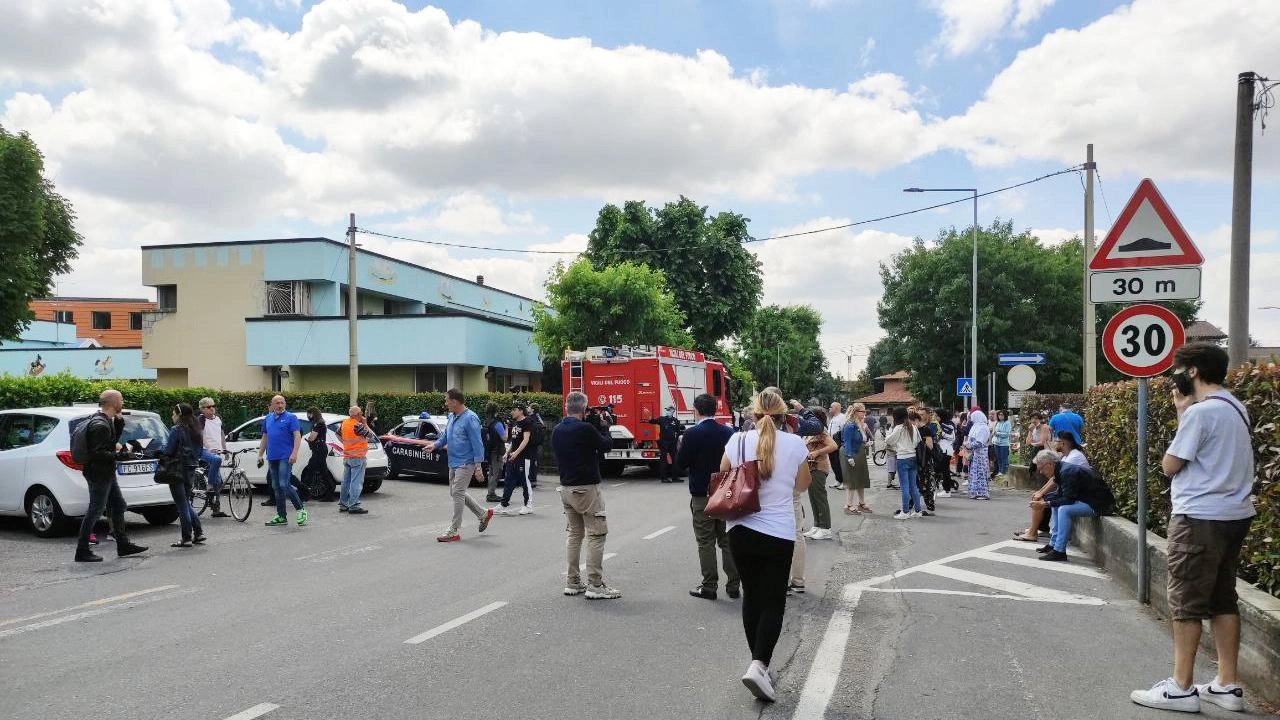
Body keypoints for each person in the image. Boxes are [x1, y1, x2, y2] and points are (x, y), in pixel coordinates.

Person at [1131, 343, 1256, 714]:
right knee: (1222, 599)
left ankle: (1181, 687)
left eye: (1179, 369)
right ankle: (1227, 685)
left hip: (1199, 517)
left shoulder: (1200, 414)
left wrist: (1183, 412)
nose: (1176, 375)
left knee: (1185, 601)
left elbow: (1171, 465)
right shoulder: (1237, 407)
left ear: (1193, 372)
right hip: (1235, 514)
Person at [720, 389, 812, 703]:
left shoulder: (737, 440)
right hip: (778, 532)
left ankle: (757, 662)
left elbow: (723, 476)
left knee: (752, 596)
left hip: (741, 528)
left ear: (754, 414)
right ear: (785, 415)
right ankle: (759, 664)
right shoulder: (796, 444)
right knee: (773, 601)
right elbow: (802, 485)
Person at [553, 391, 619, 599]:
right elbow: (606, 446)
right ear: (583, 409)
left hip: (566, 488)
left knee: (574, 534)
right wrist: (606, 426)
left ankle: (572, 581)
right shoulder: (586, 429)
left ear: (566, 407)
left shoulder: (557, 429)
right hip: (587, 488)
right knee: (596, 534)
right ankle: (595, 584)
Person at [675, 393, 738, 600]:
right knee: (727, 541)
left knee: (705, 541)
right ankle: (734, 585)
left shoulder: (692, 434)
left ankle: (709, 585)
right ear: (716, 409)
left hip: (702, 494)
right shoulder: (728, 432)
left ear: (696, 410)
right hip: (725, 491)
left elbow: (681, 464)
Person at [74, 389, 148, 562]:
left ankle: (123, 545)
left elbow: (110, 440)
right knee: (95, 510)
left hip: (106, 472)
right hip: (98, 473)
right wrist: (119, 455)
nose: (123, 402)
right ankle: (82, 550)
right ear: (113, 402)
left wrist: (120, 421)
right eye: (121, 399)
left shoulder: (105, 421)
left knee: (119, 505)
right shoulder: (99, 425)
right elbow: (98, 453)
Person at [426, 389, 494, 542]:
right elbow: (446, 437)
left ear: (455, 402)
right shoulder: (452, 416)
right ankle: (483, 514)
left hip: (466, 462)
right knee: (456, 492)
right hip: (454, 461)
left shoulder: (470, 418)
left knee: (457, 492)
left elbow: (477, 443)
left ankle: (454, 530)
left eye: (447, 400)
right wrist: (435, 445)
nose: (445, 403)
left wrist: (478, 467)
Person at [1027, 448, 1114, 562]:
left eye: (1041, 468)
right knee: (1056, 505)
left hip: (1099, 504)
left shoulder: (1066, 472)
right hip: (1088, 500)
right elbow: (1061, 494)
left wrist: (1044, 503)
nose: (1041, 472)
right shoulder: (1061, 469)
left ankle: (1059, 550)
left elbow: (1068, 499)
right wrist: (1043, 499)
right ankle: (1053, 544)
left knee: (1064, 509)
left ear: (1049, 464)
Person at [1014, 432, 1093, 543]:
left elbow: (1056, 479)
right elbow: (1056, 478)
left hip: (1078, 494)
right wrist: (1040, 491)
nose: (1054, 443)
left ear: (1063, 443)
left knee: (1043, 499)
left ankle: (1033, 533)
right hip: (1072, 491)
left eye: (1056, 441)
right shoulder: (1067, 456)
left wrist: (1042, 494)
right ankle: (1039, 530)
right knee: (1041, 497)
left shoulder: (1074, 457)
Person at [161, 403, 205, 547]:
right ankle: (198, 533)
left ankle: (186, 538)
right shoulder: (196, 430)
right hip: (191, 469)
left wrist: (159, 453)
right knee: (186, 502)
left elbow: (168, 450)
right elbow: (199, 451)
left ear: (179, 415)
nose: (172, 417)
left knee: (181, 505)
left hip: (177, 470)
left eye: (173, 414)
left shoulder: (176, 430)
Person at [259, 395, 307, 527]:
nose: (280, 405)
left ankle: (301, 510)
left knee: (284, 484)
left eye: (282, 403)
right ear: (272, 405)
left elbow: (297, 436)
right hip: (272, 457)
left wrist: (294, 453)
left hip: (286, 456)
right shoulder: (268, 419)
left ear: (285, 404)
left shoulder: (291, 418)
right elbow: (265, 437)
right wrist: (260, 454)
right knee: (276, 487)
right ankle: (281, 516)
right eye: (277, 403)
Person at [802, 407, 837, 540]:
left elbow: (833, 446)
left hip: (819, 467)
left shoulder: (821, 431)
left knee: (820, 498)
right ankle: (817, 525)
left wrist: (817, 452)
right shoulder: (811, 432)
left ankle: (825, 527)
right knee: (813, 497)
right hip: (811, 467)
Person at [497, 403, 534, 516]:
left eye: (514, 410)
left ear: (521, 411)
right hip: (513, 456)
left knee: (525, 481)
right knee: (508, 480)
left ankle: (528, 505)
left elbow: (525, 440)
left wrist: (516, 453)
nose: (512, 412)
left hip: (524, 457)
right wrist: (507, 453)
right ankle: (503, 504)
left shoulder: (527, 422)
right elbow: (514, 441)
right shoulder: (514, 423)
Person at [885, 407, 922, 519]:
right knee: (913, 486)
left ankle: (905, 511)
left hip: (902, 458)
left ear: (895, 417)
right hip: (913, 457)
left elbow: (889, 440)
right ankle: (918, 510)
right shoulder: (914, 427)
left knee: (904, 486)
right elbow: (918, 442)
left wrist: (889, 430)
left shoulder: (898, 428)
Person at [339, 405, 377, 514]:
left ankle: (343, 504)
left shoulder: (344, 423)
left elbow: (338, 434)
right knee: (356, 482)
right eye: (361, 413)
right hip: (358, 457)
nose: (362, 415)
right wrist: (365, 423)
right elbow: (371, 436)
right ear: (358, 415)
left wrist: (346, 444)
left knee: (345, 481)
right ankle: (354, 505)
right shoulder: (358, 425)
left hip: (347, 456)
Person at [197, 397, 228, 518]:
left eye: (213, 406)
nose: (212, 409)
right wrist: (209, 448)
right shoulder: (201, 419)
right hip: (205, 451)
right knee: (216, 478)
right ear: (202, 409)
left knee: (219, 481)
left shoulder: (218, 419)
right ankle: (209, 486)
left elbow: (221, 434)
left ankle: (215, 507)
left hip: (217, 452)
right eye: (209, 407)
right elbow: (200, 436)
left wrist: (224, 449)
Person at [841, 404, 872, 514]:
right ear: (855, 412)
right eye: (862, 411)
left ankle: (861, 503)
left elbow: (859, 440)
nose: (864, 413)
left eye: (865, 411)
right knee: (852, 480)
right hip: (851, 453)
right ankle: (848, 505)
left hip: (859, 452)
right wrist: (849, 457)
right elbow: (847, 442)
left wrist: (866, 444)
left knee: (861, 479)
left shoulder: (860, 424)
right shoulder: (850, 425)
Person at [301, 407, 333, 503]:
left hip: (319, 449)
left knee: (311, 470)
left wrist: (309, 439)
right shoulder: (318, 423)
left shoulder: (319, 424)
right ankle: (329, 494)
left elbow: (312, 437)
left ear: (313, 414)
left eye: (309, 414)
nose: (308, 416)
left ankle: (304, 494)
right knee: (323, 472)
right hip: (319, 449)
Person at [645, 406, 684, 483]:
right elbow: (652, 421)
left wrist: (676, 440)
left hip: (672, 443)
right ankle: (664, 478)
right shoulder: (662, 419)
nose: (668, 411)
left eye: (669, 410)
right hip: (664, 442)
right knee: (663, 460)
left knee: (675, 460)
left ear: (673, 411)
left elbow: (678, 432)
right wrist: (648, 416)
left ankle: (675, 478)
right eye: (667, 410)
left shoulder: (675, 421)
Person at [482, 402, 507, 503]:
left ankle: (490, 492)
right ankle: (491, 494)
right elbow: (504, 438)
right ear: (496, 411)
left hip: (488, 451)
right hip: (497, 452)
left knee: (491, 473)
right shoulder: (497, 424)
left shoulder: (485, 422)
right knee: (496, 473)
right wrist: (506, 428)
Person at [965, 409, 992, 500]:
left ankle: (983, 493)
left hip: (980, 453)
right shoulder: (976, 426)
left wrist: (969, 445)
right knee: (973, 472)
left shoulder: (983, 427)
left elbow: (980, 442)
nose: (971, 420)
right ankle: (975, 492)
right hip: (974, 453)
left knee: (980, 472)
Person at [826, 402, 847, 490]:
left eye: (831, 407)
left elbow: (844, 431)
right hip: (831, 443)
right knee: (834, 463)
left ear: (836, 408)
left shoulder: (842, 417)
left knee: (839, 463)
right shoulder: (833, 418)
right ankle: (838, 480)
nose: (829, 409)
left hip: (838, 444)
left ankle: (844, 482)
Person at [1025, 413, 1051, 478]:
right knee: (1034, 448)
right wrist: (1030, 431)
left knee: (1037, 448)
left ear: (1040, 420)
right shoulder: (1031, 428)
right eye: (1032, 418)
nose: (1034, 420)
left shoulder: (1044, 427)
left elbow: (1042, 442)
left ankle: (1032, 468)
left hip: (1044, 448)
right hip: (1036, 449)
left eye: (1036, 418)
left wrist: (1032, 443)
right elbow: (1027, 442)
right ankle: (1032, 467)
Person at [937, 410, 957, 496]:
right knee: (944, 470)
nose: (935, 417)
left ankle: (947, 490)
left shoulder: (948, 424)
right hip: (942, 449)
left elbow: (952, 437)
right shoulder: (940, 424)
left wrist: (942, 434)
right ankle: (949, 485)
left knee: (944, 470)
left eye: (937, 415)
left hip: (946, 450)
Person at [526, 402, 546, 488]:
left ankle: (529, 480)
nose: (528, 409)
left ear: (532, 410)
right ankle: (533, 480)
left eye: (529, 407)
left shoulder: (529, 419)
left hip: (529, 444)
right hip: (537, 444)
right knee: (534, 462)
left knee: (529, 462)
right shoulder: (538, 418)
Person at [992, 409, 1012, 476]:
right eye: (999, 415)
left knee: (1004, 458)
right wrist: (994, 433)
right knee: (998, 458)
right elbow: (994, 431)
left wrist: (997, 433)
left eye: (1001, 415)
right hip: (996, 442)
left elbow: (1007, 434)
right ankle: (1000, 471)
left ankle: (1004, 472)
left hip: (1004, 443)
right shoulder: (998, 422)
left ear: (1004, 415)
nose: (1000, 416)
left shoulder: (1007, 423)